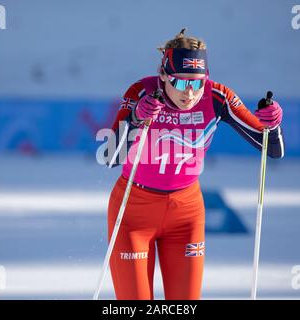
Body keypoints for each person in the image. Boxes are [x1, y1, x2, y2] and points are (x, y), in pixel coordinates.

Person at [103, 28, 284, 300]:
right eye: (180, 82)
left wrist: (273, 122)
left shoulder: (217, 97)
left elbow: (270, 147)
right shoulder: (142, 91)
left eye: (197, 83)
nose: (189, 93)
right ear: (163, 75)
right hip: (134, 213)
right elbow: (110, 157)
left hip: (185, 215)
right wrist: (136, 119)